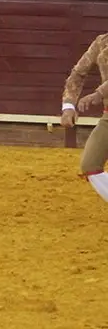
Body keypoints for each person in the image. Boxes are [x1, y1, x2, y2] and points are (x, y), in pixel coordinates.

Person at [60, 33, 108, 202]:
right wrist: (68, 106)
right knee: (90, 165)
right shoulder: (102, 42)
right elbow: (78, 73)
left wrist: (98, 94)